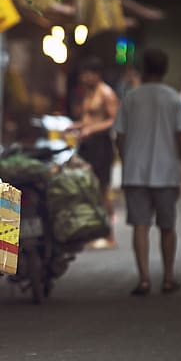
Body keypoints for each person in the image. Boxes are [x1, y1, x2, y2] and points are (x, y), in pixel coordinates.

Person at [113, 49, 181, 296]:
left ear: (144, 67)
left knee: (140, 225)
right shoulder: (172, 98)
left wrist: (129, 160)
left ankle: (145, 280)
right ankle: (168, 278)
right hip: (167, 172)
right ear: (165, 68)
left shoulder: (131, 97)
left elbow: (120, 136)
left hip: (135, 173)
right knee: (167, 226)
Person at [70, 57, 119, 248]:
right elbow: (88, 118)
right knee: (87, 188)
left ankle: (110, 234)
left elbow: (113, 120)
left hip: (101, 145)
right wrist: (77, 126)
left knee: (102, 190)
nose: (84, 78)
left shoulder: (106, 93)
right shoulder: (89, 93)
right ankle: (92, 232)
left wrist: (92, 129)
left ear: (96, 75)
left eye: (87, 74)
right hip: (87, 144)